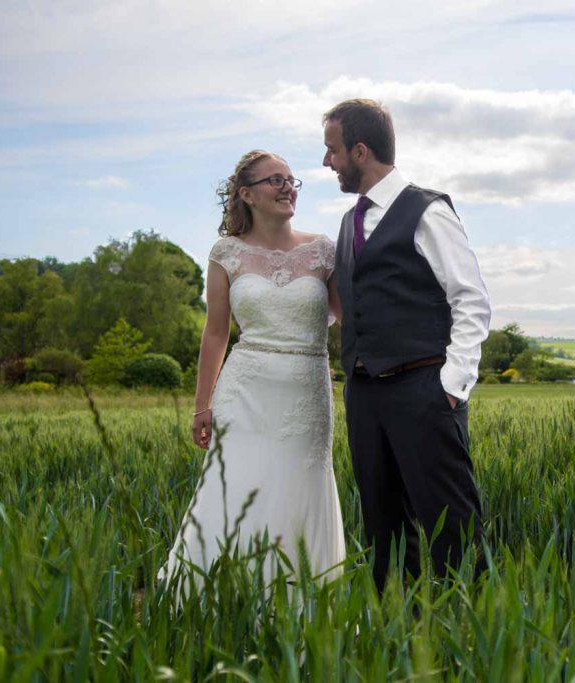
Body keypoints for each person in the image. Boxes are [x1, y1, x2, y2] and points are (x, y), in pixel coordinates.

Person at [322, 99, 491, 592]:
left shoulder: (427, 210)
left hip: (423, 389)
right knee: (383, 528)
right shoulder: (349, 223)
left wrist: (451, 387)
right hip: (365, 395)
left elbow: (471, 300)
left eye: (332, 150)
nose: (327, 162)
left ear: (360, 150)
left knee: (451, 525)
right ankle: (402, 635)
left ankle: (473, 631)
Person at [161, 150, 345, 587]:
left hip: (306, 389)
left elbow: (346, 317)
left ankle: (300, 601)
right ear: (246, 194)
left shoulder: (323, 250)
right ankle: (223, 596)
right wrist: (201, 404)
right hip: (243, 392)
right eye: (274, 180)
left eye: (291, 180)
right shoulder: (226, 252)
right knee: (236, 488)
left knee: (300, 487)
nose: (287, 187)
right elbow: (215, 333)